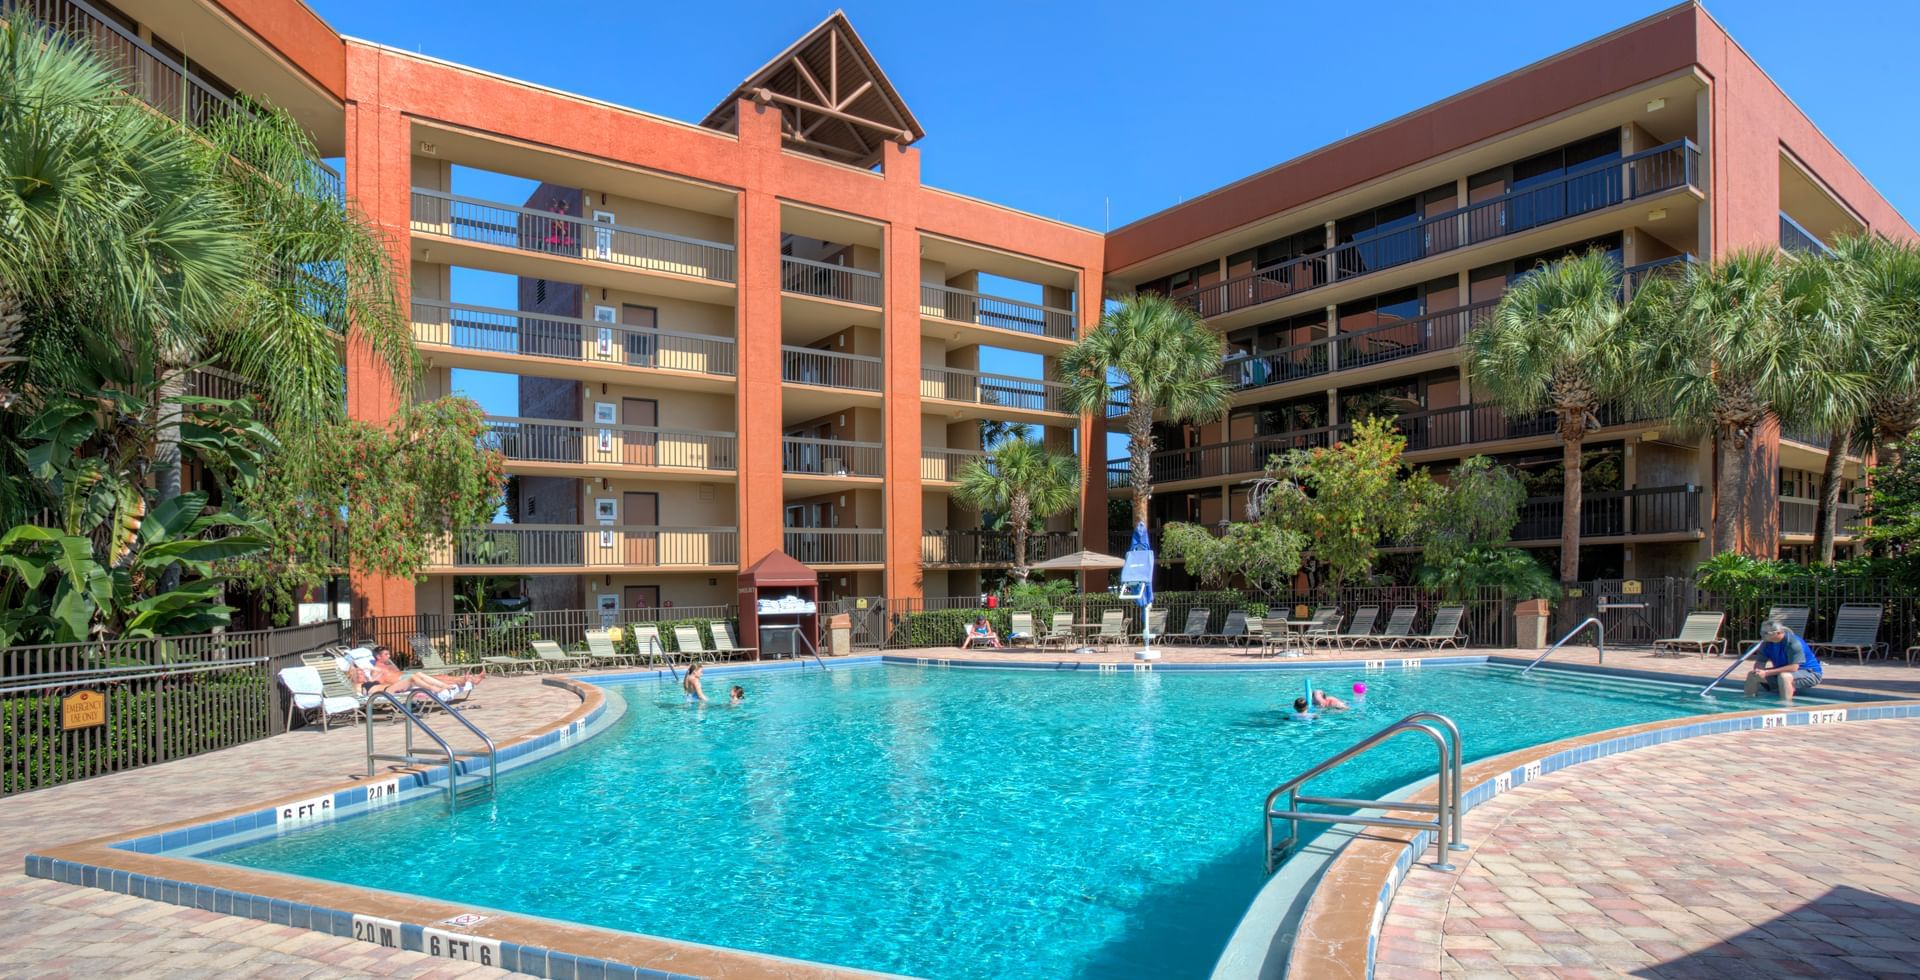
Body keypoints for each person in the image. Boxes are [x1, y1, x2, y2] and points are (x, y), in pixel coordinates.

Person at [1745, 619, 1823, 704]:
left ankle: (1785, 705)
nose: (1762, 636)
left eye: (1766, 633)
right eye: (1761, 632)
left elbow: (1794, 668)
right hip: (1785, 672)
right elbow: (1760, 662)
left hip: (1810, 673)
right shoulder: (1766, 643)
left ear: (1778, 633)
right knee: (1752, 675)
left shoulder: (1793, 643)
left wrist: (1766, 673)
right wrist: (1758, 671)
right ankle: (1748, 701)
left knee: (1784, 677)